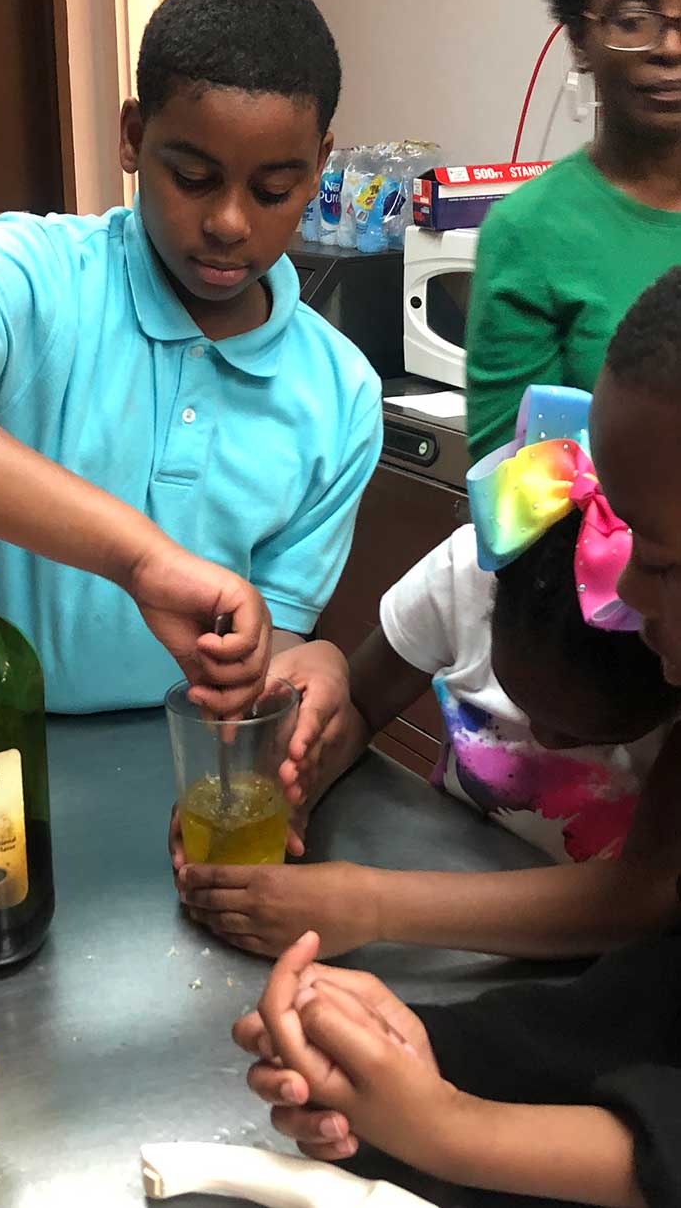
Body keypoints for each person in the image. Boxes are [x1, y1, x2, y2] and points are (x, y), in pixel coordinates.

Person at [0, 0, 382, 756]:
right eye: (193, 177)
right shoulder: (37, 275)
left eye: (273, 189)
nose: (229, 222)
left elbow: (257, 654)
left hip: (174, 762)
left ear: (319, 164)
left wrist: (301, 669)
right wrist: (140, 559)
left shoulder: (340, 396)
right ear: (134, 137)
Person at [234, 267, 681, 1208]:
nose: (637, 591)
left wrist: (443, 1122)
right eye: (633, 545)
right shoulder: (488, 565)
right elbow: (627, 1018)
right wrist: (421, 1049)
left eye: (667, 562)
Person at [175, 388, 681, 961]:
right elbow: (361, 704)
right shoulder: (469, 570)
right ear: (490, 600)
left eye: (591, 736)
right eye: (525, 706)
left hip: (607, 965)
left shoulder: (674, 641)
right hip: (449, 863)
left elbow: (646, 890)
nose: (543, 739)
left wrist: (372, 905)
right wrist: (293, 784)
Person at [466, 0, 681, 461]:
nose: (671, 46)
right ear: (580, 39)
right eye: (634, 18)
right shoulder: (529, 233)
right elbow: (519, 504)